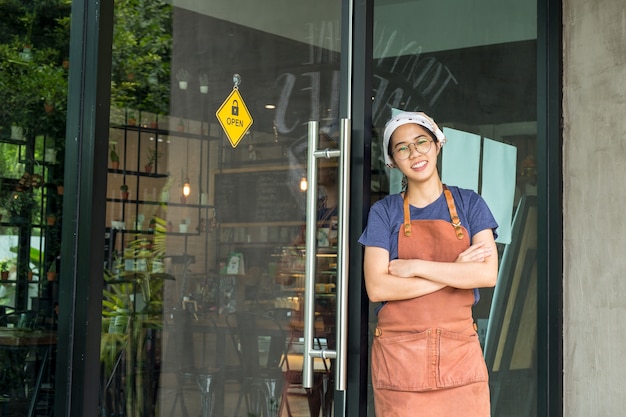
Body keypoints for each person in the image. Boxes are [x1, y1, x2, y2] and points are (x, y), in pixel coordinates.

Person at [358, 111, 499, 416]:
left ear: (438, 145)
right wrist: (457, 270)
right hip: (400, 363)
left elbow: (487, 274)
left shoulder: (470, 203)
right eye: (402, 147)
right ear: (392, 160)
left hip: (459, 358)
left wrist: (415, 266)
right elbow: (377, 286)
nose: (415, 153)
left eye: (422, 142)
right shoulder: (384, 212)